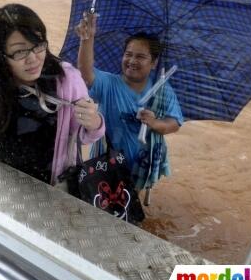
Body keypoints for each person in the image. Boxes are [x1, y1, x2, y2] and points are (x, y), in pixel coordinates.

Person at [0, 4, 105, 185]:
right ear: (0, 54)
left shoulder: (67, 82)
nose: (33, 58)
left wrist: (95, 123)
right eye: (20, 51)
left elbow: (83, 136)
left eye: (38, 45)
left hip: (46, 184)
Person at [76, 12, 183, 173]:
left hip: (142, 164)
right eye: (128, 54)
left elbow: (174, 123)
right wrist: (87, 38)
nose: (132, 61)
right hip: (105, 159)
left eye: (140, 57)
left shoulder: (162, 89)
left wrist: (154, 123)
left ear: (154, 63)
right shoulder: (109, 83)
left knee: (132, 197)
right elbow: (86, 73)